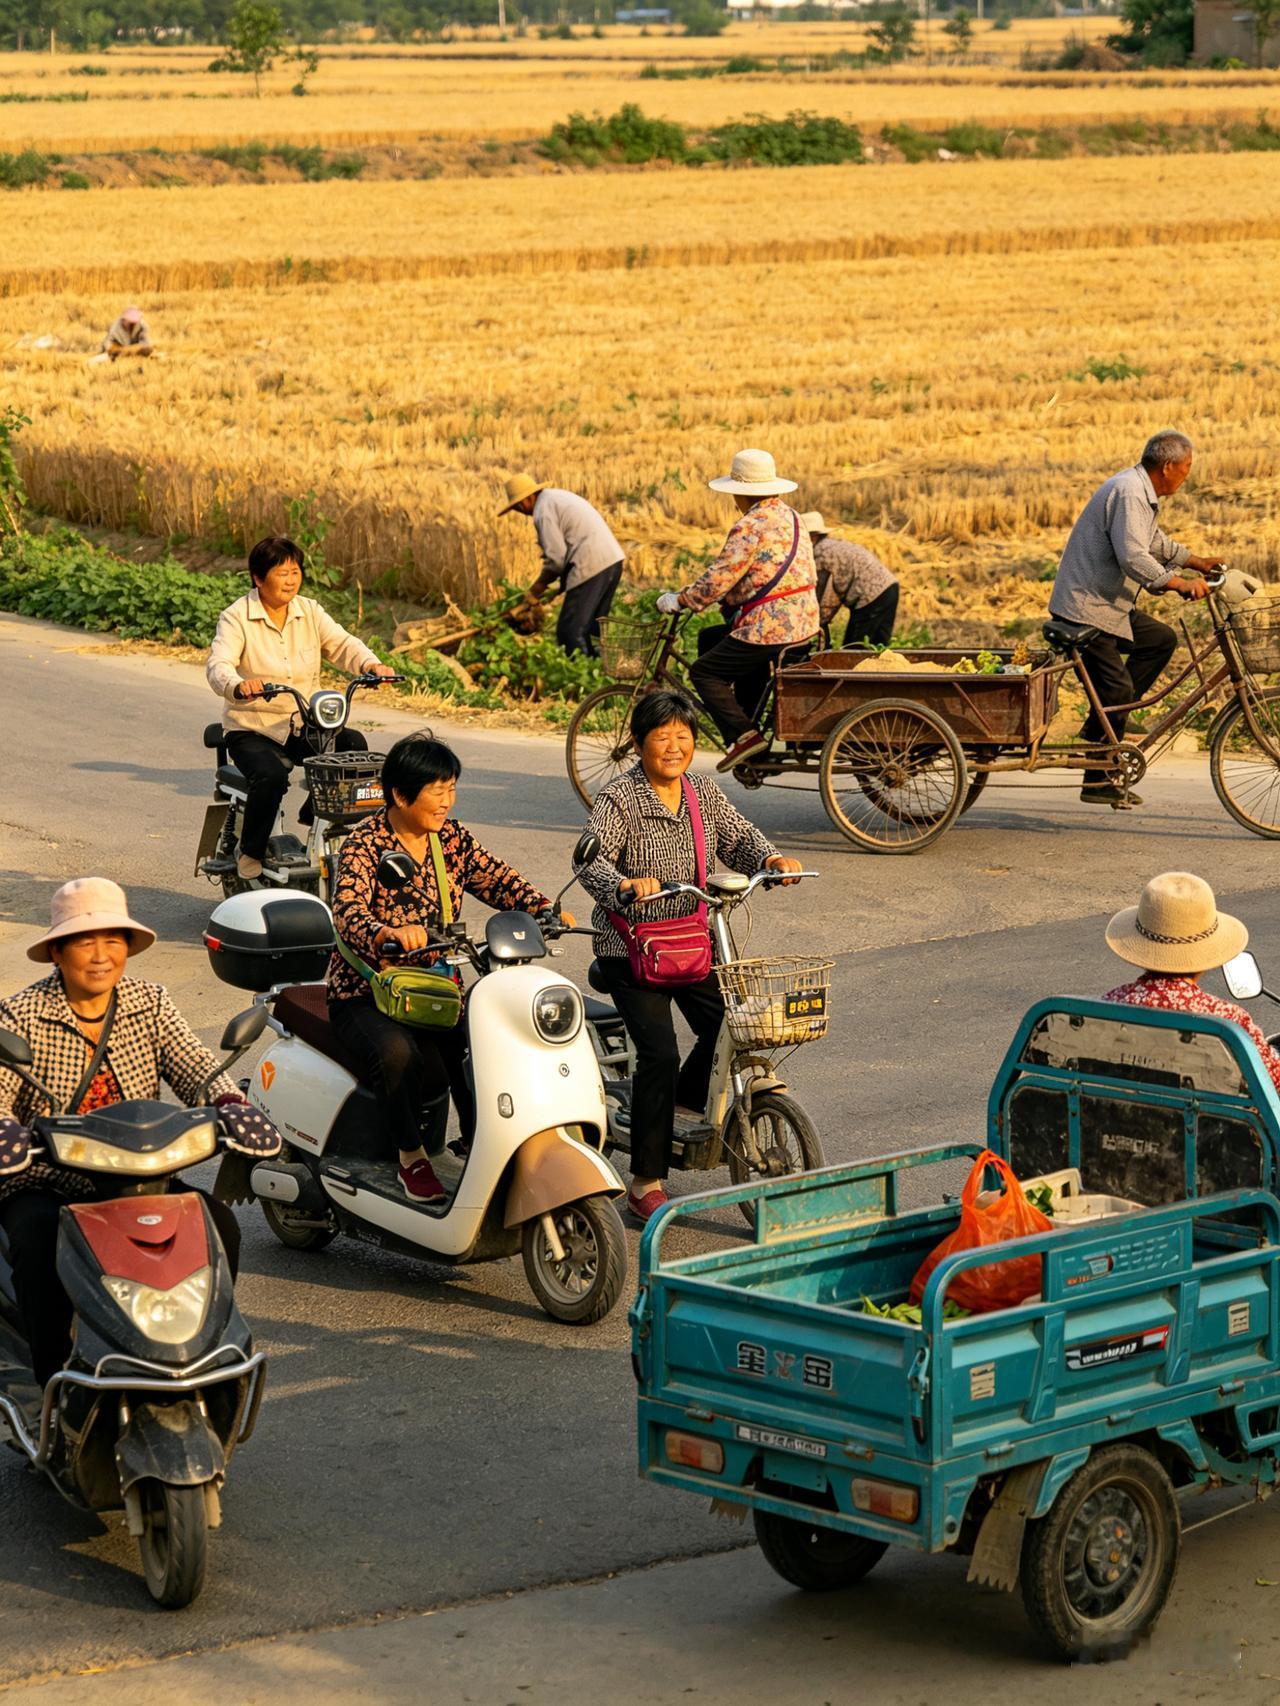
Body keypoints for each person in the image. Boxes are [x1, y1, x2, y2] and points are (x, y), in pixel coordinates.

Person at [0, 879, 277, 1388]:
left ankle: (200, 1357)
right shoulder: (22, 1014)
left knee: (219, 1226)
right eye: (86, 941)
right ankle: (53, 1386)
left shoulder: (148, 1002)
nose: (102, 956)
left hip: (137, 1178)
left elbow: (197, 1067)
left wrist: (233, 1105)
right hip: (50, 1183)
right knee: (37, 1243)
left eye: (114, 940)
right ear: (57, 951)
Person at [577, 690, 803, 1222]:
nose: (674, 746)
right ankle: (645, 1180)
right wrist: (624, 886)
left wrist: (770, 857)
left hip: (692, 942)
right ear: (639, 743)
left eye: (683, 736)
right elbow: (589, 862)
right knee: (659, 1052)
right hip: (629, 949)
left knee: (734, 1021)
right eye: (662, 736)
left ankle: (679, 1102)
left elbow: (739, 837)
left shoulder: (702, 792)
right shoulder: (620, 799)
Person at [327, 732, 565, 1204]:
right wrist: (383, 933)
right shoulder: (364, 844)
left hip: (435, 986)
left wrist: (540, 907)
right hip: (366, 990)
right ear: (400, 794)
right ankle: (411, 1157)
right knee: (399, 1055)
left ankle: (483, 1146)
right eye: (437, 791)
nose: (446, 801)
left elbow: (493, 876)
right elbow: (347, 910)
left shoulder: (450, 838)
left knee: (484, 1049)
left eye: (451, 788)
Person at [1050, 430, 1225, 807]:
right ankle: (1097, 777)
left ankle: (1105, 724)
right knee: (1115, 692)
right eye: (1187, 468)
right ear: (1167, 466)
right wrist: (1177, 582)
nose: (1187, 476)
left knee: (1160, 640)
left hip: (1109, 606)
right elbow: (1133, 555)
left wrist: (1196, 561)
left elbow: (1153, 541)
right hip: (1085, 609)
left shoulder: (1139, 492)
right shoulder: (1130, 491)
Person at [206, 535, 396, 882]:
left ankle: (317, 816)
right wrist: (238, 685)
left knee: (353, 748)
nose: (291, 580)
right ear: (258, 578)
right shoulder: (236, 617)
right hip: (253, 726)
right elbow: (219, 664)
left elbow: (342, 644)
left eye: (295, 572)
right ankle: (251, 850)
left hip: (301, 722)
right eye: (282, 573)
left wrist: (371, 666)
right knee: (271, 776)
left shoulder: (309, 610)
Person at [660, 449, 820, 773]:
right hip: (804, 624)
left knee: (703, 672)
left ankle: (744, 736)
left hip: (771, 627)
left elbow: (720, 576)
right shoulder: (793, 517)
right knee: (712, 638)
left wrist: (681, 600)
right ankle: (750, 736)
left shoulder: (749, 525)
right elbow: (762, 573)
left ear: (738, 492)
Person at [1104, 871, 1280, 1097]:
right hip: (1205, 1131)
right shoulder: (1228, 1022)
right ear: (1205, 954)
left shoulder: (1106, 1008)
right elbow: (1272, 1081)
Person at [498, 474, 625, 657]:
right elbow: (567, 552)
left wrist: (537, 588)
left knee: (569, 632)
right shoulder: (554, 498)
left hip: (590, 565)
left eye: (517, 507)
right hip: (612, 560)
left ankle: (580, 678)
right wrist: (557, 589)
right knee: (591, 628)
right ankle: (598, 675)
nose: (519, 511)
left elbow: (556, 560)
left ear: (524, 501)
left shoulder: (543, 512)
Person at [800, 512, 900, 649]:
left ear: (812, 537)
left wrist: (819, 624)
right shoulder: (833, 545)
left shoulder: (819, 554)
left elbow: (826, 597)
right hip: (890, 587)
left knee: (854, 646)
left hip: (871, 596)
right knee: (879, 644)